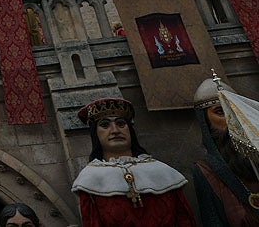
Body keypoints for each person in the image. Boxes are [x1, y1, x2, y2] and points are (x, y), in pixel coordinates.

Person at [71, 97, 196, 226]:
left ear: (130, 130)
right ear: (95, 134)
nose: (115, 130)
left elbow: (184, 220)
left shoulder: (163, 172)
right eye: (105, 125)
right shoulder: (90, 179)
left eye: (121, 124)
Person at [191, 77, 259, 226]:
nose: (230, 118)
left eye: (232, 110)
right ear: (206, 122)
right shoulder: (205, 170)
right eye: (221, 111)